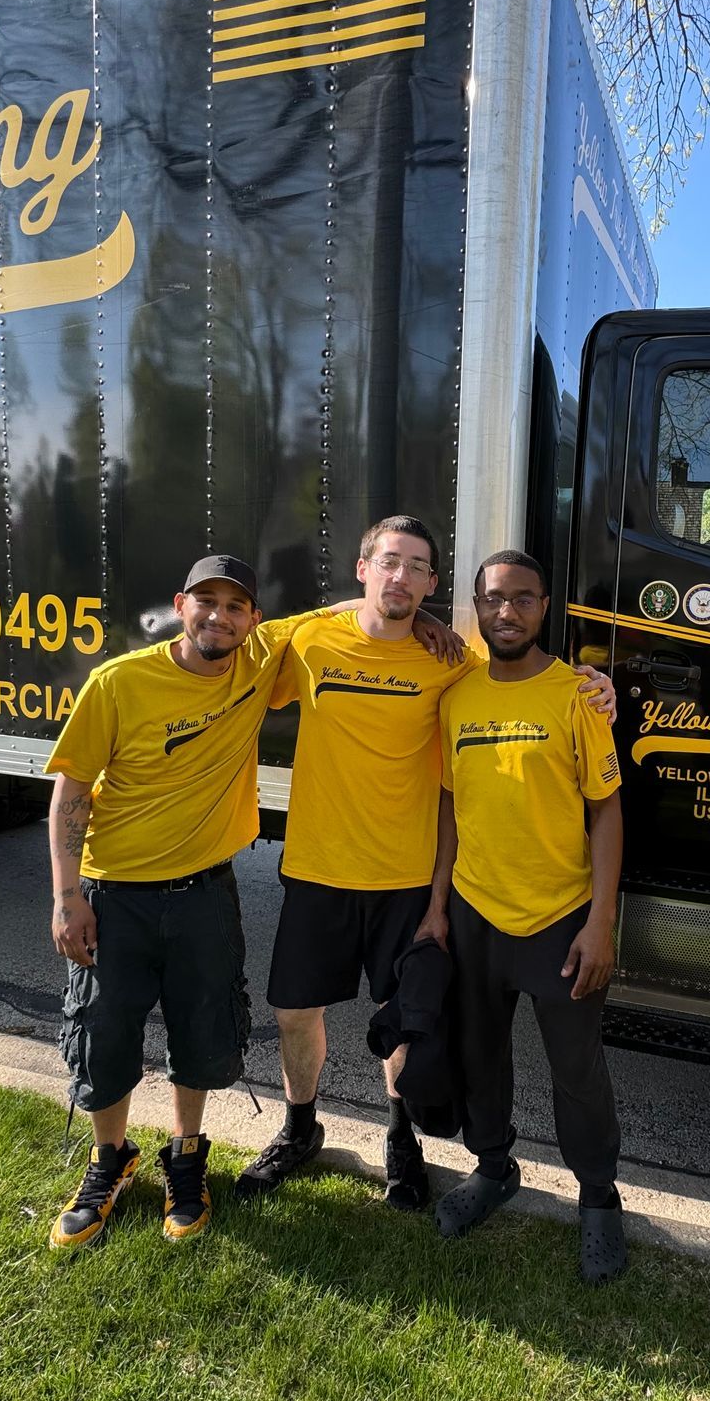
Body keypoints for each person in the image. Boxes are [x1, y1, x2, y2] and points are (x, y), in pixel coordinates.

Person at [41, 555, 452, 1248]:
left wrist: (420, 615)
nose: (220, 617)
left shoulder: (258, 664)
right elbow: (71, 791)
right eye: (207, 602)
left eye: (237, 608)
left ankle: (187, 1157)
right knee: (106, 1034)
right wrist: (65, 895)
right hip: (116, 895)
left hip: (207, 888)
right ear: (180, 604)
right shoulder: (120, 681)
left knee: (201, 1033)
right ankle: (109, 1160)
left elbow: (362, 617)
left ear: (254, 622)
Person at [236, 517, 614, 1210]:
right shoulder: (311, 640)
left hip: (407, 877)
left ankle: (400, 1139)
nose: (400, 577)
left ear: (435, 585)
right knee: (294, 1012)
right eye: (388, 563)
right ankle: (299, 1129)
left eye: (416, 567)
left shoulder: (453, 663)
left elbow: (515, 681)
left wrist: (596, 688)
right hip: (319, 868)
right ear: (362, 568)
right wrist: (353, 608)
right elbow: (236, 643)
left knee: (405, 1019)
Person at [425, 550, 626, 1282]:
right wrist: (440, 904)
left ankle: (599, 1199)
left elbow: (606, 810)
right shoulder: (456, 697)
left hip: (561, 919)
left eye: (521, 599)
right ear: (474, 608)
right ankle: (492, 1168)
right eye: (491, 599)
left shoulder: (576, 693)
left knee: (577, 1071)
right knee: (483, 1057)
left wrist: (601, 919)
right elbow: (450, 805)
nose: (505, 612)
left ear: (545, 607)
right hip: (478, 913)